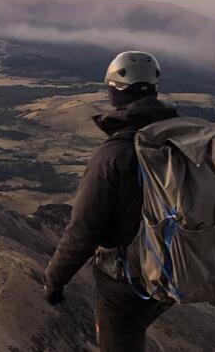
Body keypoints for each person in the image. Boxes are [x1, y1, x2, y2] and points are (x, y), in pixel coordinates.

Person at [43, 51, 178, 351]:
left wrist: (54, 281)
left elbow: (83, 230)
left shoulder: (114, 154)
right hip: (175, 265)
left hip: (129, 280)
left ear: (115, 93)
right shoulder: (175, 141)